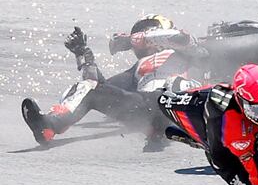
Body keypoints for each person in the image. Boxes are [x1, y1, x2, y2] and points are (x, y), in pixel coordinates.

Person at [21, 15, 203, 150]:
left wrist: (136, 39)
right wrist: (83, 54)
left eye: (147, 29)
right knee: (87, 88)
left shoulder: (186, 52)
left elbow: (184, 39)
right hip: (147, 109)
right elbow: (97, 86)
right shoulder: (137, 69)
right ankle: (50, 125)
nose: (140, 37)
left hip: (181, 104)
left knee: (175, 85)